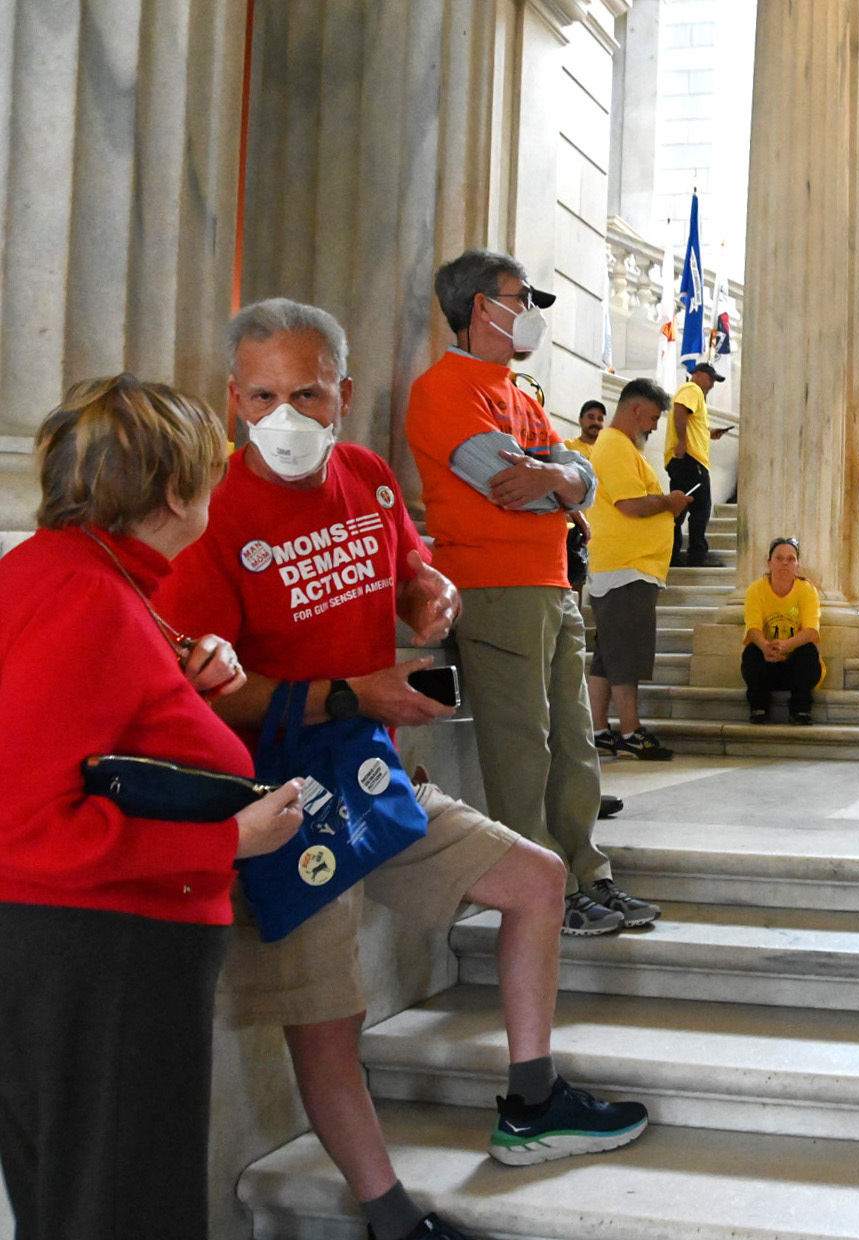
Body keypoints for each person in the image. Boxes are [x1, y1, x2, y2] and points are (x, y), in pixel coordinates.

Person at [166, 301, 654, 1240]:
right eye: (262, 397)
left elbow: (411, 569)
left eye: (307, 394)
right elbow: (215, 697)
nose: (283, 417)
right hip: (279, 800)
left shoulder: (367, 475)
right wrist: (357, 695)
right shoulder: (210, 514)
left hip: (376, 773)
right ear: (232, 400)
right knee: (328, 1022)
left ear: (343, 394)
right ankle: (391, 1219)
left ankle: (532, 1101)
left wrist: (431, 590)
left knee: (535, 880)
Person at [0, 374, 305, 1240]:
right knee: (119, 1207)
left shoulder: (71, 571)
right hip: (102, 954)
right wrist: (224, 842)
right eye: (209, 475)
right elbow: (24, 821)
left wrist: (180, 683)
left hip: (84, 952)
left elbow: (91, 729)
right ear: (174, 491)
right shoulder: (87, 594)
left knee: (84, 1199)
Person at [404, 250, 620, 923]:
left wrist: (561, 478)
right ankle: (544, 890)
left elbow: (581, 476)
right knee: (522, 746)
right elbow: (509, 487)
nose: (529, 313)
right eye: (520, 298)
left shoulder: (518, 394)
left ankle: (587, 873)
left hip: (550, 582)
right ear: (480, 307)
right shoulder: (443, 389)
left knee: (574, 742)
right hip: (495, 584)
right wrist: (562, 483)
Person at [587, 378, 689, 763]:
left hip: (623, 567)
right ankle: (631, 731)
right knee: (626, 655)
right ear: (635, 410)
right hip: (627, 568)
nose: (655, 427)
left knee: (608, 655)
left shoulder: (618, 447)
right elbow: (630, 504)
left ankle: (599, 730)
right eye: (653, 418)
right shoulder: (615, 445)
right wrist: (669, 502)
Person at [742, 538, 823, 723]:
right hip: (767, 661)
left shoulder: (807, 590)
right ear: (769, 563)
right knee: (751, 651)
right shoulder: (756, 589)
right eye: (779, 558)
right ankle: (759, 707)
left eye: (790, 559)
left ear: (797, 565)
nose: (784, 563)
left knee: (808, 651)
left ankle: (801, 710)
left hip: (796, 667)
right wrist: (765, 647)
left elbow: (811, 630)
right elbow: (752, 627)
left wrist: (786, 645)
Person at [667, 360, 730, 567]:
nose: (712, 384)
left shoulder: (692, 393)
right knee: (700, 508)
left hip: (683, 461)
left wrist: (710, 433)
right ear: (698, 374)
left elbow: (690, 421)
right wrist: (682, 442)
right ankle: (697, 555)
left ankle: (672, 554)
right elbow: (680, 410)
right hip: (691, 460)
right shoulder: (692, 389)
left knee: (679, 507)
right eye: (710, 378)